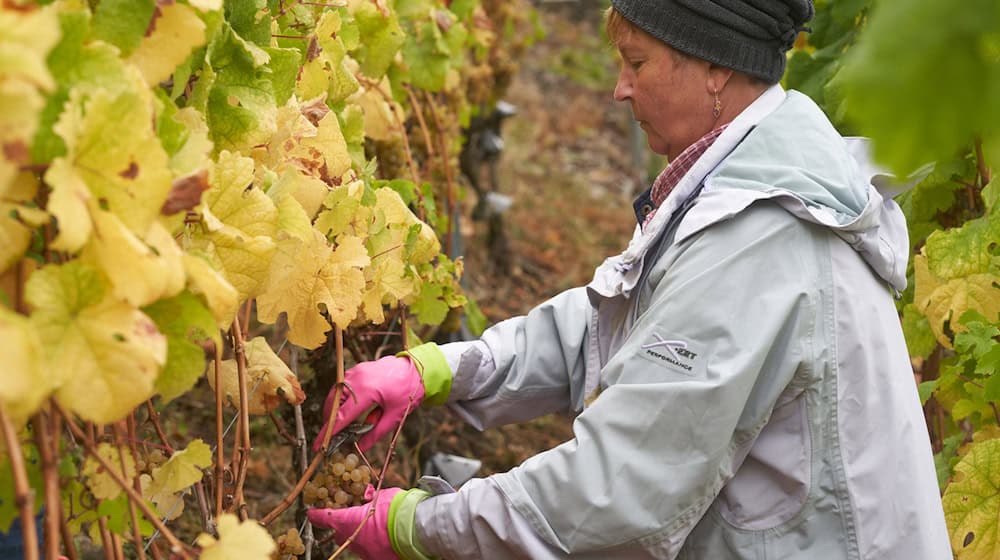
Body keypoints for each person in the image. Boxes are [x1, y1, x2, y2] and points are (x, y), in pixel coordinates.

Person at [307, 0, 952, 558]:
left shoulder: (758, 244)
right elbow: (617, 320)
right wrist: (441, 369)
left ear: (715, 65)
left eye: (636, 63)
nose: (619, 88)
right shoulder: (740, 183)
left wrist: (417, 526)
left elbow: (613, 491)